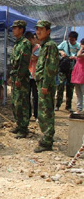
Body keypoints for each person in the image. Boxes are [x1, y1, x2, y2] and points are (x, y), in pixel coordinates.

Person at [34, 20, 59, 153]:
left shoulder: (50, 45)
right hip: (42, 83)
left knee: (46, 112)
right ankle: (46, 137)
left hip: (46, 85)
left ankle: (47, 140)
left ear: (48, 31)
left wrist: (45, 84)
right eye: (37, 29)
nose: (38, 32)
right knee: (43, 111)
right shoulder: (43, 46)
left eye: (41, 29)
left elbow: (50, 67)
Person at [9, 20, 32, 139]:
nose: (13, 30)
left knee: (22, 103)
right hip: (15, 77)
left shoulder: (25, 43)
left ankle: (24, 128)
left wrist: (19, 78)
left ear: (21, 29)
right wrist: (11, 77)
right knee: (15, 103)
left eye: (15, 28)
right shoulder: (17, 43)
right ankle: (18, 124)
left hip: (21, 79)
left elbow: (24, 64)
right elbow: (14, 63)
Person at [55, 31, 80, 111]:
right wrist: (62, 52)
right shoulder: (64, 43)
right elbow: (57, 49)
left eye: (72, 40)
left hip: (72, 69)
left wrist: (75, 57)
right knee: (61, 85)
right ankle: (58, 104)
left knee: (70, 87)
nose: (71, 41)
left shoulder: (78, 46)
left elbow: (80, 55)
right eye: (70, 39)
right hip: (63, 68)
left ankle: (68, 106)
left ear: (75, 39)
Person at [25, 31, 40, 120]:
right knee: (27, 96)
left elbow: (35, 57)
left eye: (30, 40)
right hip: (27, 75)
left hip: (35, 75)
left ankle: (37, 115)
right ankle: (28, 114)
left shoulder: (38, 48)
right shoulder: (26, 48)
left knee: (36, 96)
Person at [71, 38, 84, 112]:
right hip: (78, 74)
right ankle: (79, 109)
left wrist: (81, 48)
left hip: (82, 75)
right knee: (78, 93)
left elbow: (79, 55)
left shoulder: (81, 52)